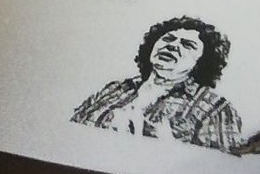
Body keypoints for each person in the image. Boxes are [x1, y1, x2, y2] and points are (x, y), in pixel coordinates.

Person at [72, 15, 243, 152]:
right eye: (168, 39)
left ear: (202, 62)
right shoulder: (117, 89)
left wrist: (162, 143)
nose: (173, 46)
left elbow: (220, 166)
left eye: (187, 45)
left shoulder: (215, 107)